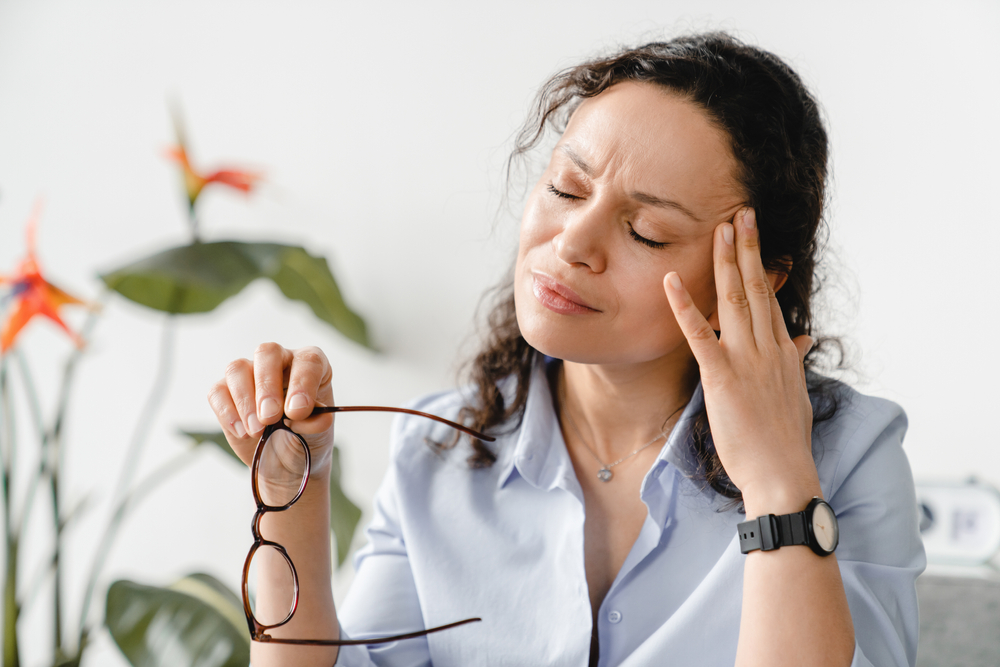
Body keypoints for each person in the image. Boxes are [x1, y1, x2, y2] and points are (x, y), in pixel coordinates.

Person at [209, 32, 925, 667]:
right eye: (565, 187)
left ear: (754, 277)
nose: (572, 243)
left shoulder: (849, 453)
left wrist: (777, 482)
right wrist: (289, 495)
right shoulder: (437, 449)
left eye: (645, 231)